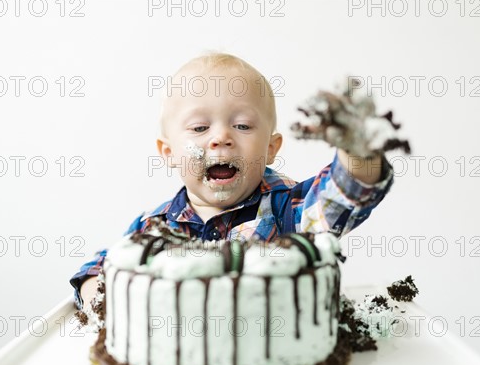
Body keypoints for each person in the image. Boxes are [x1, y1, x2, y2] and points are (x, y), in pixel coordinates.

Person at [70, 52, 402, 310]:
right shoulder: (154, 228)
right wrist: (102, 300)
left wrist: (359, 151)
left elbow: (344, 195)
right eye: (200, 128)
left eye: (242, 126)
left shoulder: (289, 210)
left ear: (271, 149)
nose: (221, 137)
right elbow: (99, 269)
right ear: (168, 152)